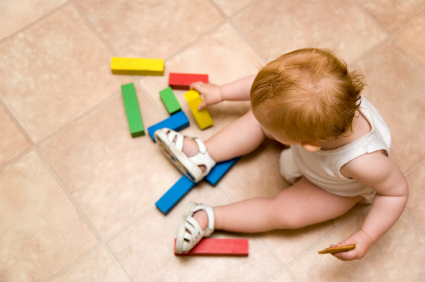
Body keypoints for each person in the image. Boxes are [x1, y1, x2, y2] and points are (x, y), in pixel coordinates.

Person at [154, 48, 408, 261]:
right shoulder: (311, 96)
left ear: (306, 143)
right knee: (266, 113)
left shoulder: (365, 163)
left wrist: (366, 236)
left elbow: (395, 192)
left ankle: (210, 217)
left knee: (285, 213)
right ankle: (203, 154)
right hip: (312, 155)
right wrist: (221, 92)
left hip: (333, 187)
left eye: (273, 131)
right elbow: (262, 87)